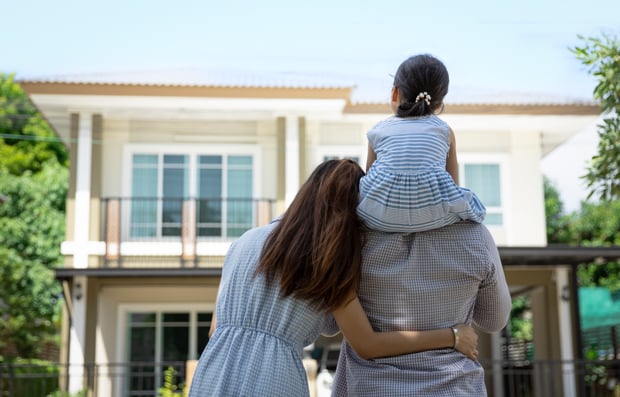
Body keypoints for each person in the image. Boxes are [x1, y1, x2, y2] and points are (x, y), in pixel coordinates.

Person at [188, 160, 479, 397]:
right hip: (274, 377)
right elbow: (367, 344)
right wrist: (453, 336)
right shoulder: (325, 259)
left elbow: (215, 330)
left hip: (213, 371)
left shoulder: (243, 242)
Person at [357, 53, 486, 232]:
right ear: (440, 102)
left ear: (395, 93)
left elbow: (369, 178)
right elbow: (453, 184)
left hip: (379, 217)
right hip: (435, 215)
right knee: (472, 201)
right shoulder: (444, 131)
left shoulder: (378, 130)